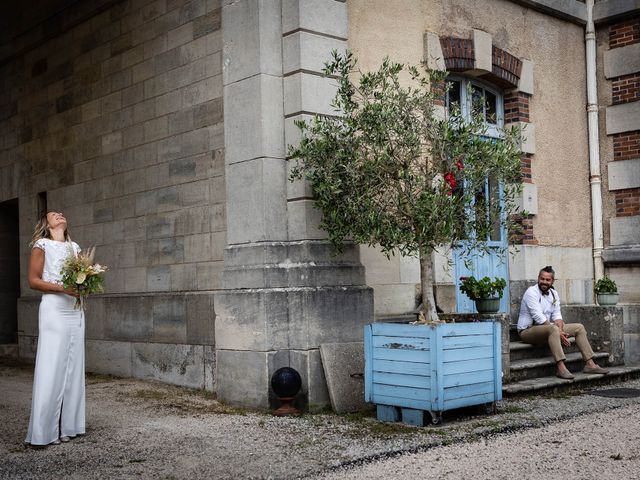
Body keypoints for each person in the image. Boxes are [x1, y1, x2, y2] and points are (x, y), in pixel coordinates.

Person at [24, 212, 85, 447]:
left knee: (73, 366)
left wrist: (86, 285)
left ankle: (69, 425)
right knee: (53, 365)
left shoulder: (75, 247)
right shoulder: (42, 245)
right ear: (46, 224)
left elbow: (81, 277)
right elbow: (33, 280)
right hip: (54, 309)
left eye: (62, 213)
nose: (60, 215)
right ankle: (45, 431)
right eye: (53, 214)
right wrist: (63, 289)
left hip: (75, 309)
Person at [517, 265, 609, 380]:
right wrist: (557, 331)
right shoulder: (531, 292)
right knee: (553, 329)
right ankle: (561, 367)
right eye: (542, 279)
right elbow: (538, 316)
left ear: (553, 281)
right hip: (527, 331)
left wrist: (560, 330)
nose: (544, 282)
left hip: (548, 329)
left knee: (578, 328)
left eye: (547, 279)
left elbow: (557, 315)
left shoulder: (554, 294)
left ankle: (590, 364)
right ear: (538, 278)